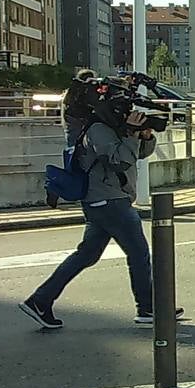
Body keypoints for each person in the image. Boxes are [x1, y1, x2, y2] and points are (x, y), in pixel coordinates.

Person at [19, 98, 165, 330]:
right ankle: (147, 308)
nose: (127, 113)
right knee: (138, 253)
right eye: (124, 110)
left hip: (105, 201)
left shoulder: (111, 129)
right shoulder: (98, 130)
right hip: (109, 201)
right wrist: (129, 134)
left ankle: (40, 300)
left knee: (87, 255)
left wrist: (144, 136)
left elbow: (138, 154)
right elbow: (120, 161)